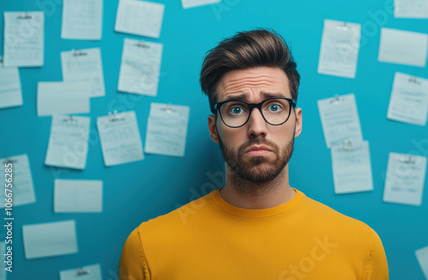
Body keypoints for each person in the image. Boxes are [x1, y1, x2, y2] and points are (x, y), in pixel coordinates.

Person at [119, 28, 389, 280]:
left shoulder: (360, 247)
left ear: (297, 122)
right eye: (236, 109)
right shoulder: (148, 248)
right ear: (214, 129)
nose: (257, 128)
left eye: (274, 106)